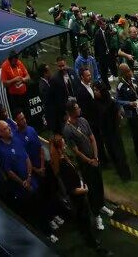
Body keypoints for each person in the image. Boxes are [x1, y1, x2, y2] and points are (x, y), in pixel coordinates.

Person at [50, 134, 108, 255]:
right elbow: (72, 189)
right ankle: (93, 244)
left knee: (84, 221)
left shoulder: (64, 158)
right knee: (85, 221)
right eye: (63, 142)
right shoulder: (62, 165)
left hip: (79, 196)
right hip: (78, 198)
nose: (65, 144)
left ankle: (89, 239)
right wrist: (85, 190)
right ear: (59, 146)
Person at [62, 100, 113, 230]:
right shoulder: (67, 130)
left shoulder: (83, 121)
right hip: (85, 164)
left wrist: (95, 156)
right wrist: (89, 160)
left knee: (98, 182)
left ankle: (101, 205)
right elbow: (75, 151)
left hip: (94, 159)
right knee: (91, 188)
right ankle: (96, 216)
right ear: (71, 112)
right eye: (77, 108)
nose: (79, 109)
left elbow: (92, 138)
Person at [93, 83, 131, 181]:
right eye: (94, 90)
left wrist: (117, 126)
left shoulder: (110, 102)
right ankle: (119, 171)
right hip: (105, 133)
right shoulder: (96, 102)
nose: (95, 92)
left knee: (119, 153)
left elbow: (117, 115)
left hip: (113, 132)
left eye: (96, 90)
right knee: (112, 153)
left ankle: (125, 175)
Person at [0, 51, 30, 119]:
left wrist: (22, 80)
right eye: (14, 62)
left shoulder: (19, 62)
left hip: (24, 94)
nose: (16, 63)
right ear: (10, 60)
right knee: (18, 115)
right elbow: (4, 84)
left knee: (27, 113)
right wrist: (14, 80)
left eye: (16, 61)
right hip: (14, 96)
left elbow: (28, 77)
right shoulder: (4, 66)